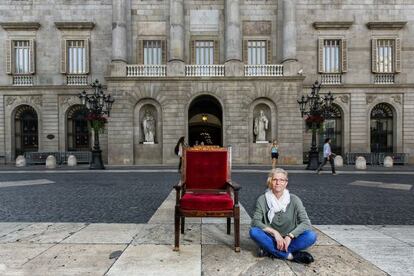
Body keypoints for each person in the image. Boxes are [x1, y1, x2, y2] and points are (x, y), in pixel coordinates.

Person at [249, 168, 317, 264]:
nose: (278, 183)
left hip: (291, 239)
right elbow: (255, 222)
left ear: (286, 183)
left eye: (282, 180)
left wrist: (290, 236)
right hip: (271, 238)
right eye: (275, 179)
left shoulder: (294, 199)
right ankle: (290, 256)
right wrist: (275, 233)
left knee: (311, 236)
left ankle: (269, 250)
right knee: (254, 232)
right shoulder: (262, 199)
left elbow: (306, 223)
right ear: (270, 181)